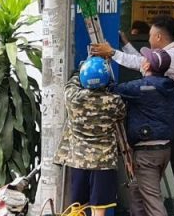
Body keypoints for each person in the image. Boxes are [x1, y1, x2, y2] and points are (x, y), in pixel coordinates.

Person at [92, 16, 174, 216]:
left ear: (159, 37)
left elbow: (143, 63)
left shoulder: (173, 56)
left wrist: (112, 52)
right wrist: (125, 44)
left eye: (150, 35)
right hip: (173, 123)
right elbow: (146, 65)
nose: (149, 39)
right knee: (148, 185)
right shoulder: (163, 59)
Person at [54, 57, 126, 216]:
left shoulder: (73, 98)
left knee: (78, 207)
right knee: (99, 207)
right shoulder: (114, 101)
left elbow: (70, 84)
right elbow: (121, 115)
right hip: (104, 162)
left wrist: (80, 69)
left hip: (79, 161)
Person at [113, 48, 174, 216]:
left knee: (152, 201)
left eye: (144, 59)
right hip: (163, 149)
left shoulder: (144, 87)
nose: (141, 60)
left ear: (147, 65)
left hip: (148, 153)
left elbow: (115, 90)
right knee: (137, 192)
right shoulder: (166, 86)